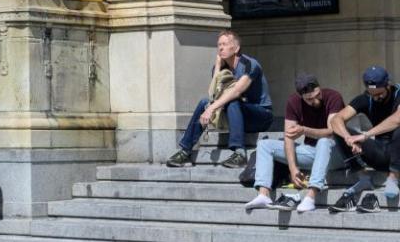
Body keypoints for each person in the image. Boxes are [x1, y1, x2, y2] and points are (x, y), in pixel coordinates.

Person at [166, 30, 273, 169]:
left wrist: (211, 109)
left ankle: (240, 153)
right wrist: (217, 66)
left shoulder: (250, 64)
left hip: (260, 116)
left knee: (232, 100)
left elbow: (237, 91)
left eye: (225, 44)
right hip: (235, 116)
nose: (220, 48)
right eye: (219, 45)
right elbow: (213, 95)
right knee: (204, 102)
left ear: (236, 48)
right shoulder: (221, 68)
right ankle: (185, 151)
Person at [244, 74, 345, 212]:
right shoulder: (294, 102)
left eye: (317, 95)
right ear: (301, 97)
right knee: (264, 145)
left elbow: (332, 132)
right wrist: (293, 169)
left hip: (337, 154)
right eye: (309, 99)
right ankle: (263, 194)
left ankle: (310, 197)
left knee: (324, 141)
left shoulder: (333, 97)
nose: (315, 100)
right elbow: (289, 137)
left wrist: (304, 130)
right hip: (312, 152)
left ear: (319, 88)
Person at [328, 65, 400, 212]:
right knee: (338, 130)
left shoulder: (398, 94)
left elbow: (397, 119)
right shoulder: (366, 98)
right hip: (381, 153)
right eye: (371, 94)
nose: (376, 97)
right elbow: (336, 119)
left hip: (398, 152)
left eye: (379, 93)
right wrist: (349, 138)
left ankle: (393, 177)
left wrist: (365, 135)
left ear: (388, 85)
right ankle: (363, 178)